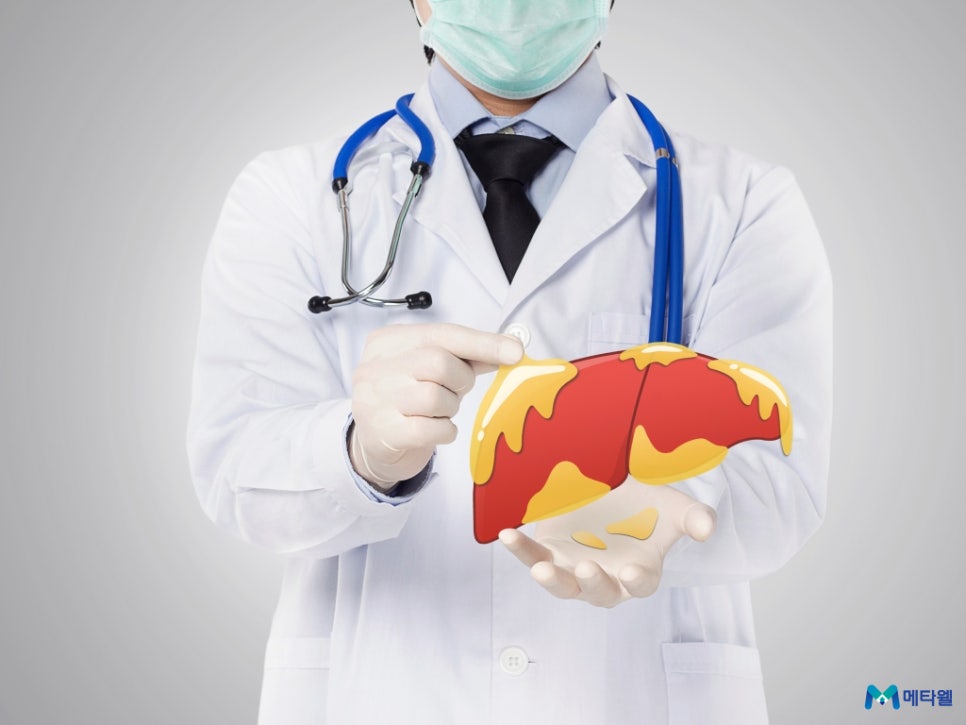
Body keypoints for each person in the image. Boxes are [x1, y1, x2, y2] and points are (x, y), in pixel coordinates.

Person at [187, 1, 832, 723]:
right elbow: (235, 466)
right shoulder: (289, 196)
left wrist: (670, 507)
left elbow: (779, 478)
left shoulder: (742, 202)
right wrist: (361, 454)